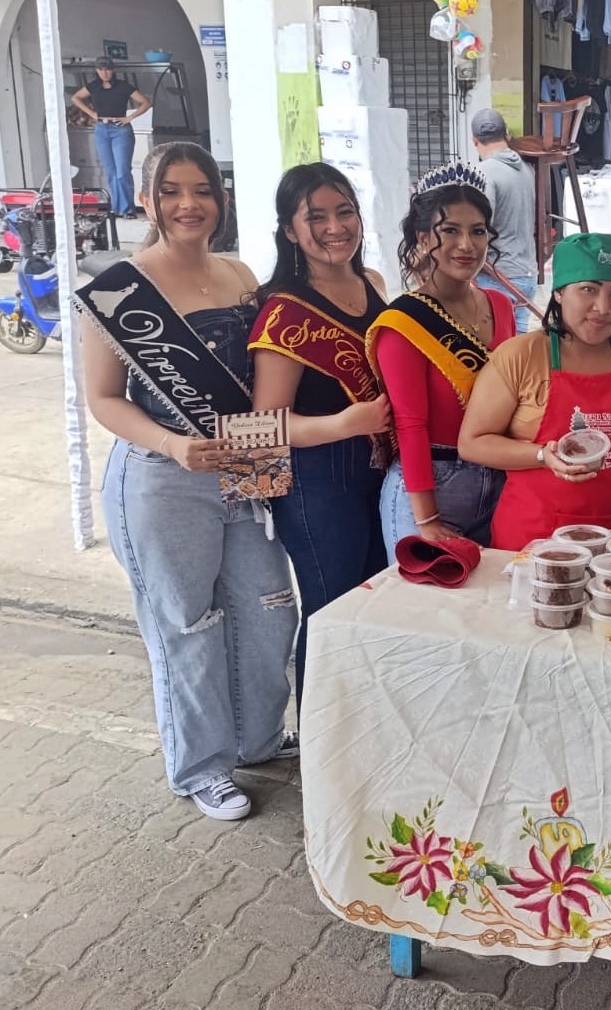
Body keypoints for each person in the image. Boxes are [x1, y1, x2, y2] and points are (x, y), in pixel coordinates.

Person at [75, 142, 296, 821]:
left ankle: (257, 739)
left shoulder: (240, 273)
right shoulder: (120, 287)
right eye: (171, 191)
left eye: (201, 190)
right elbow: (103, 399)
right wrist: (174, 444)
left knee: (268, 611)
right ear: (147, 200)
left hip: (245, 472)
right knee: (188, 625)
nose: (188, 203)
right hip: (163, 480)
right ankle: (202, 767)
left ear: (220, 200)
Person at [248, 163, 392, 720]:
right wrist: (344, 424)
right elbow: (265, 423)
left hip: (378, 473)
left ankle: (362, 733)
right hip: (317, 482)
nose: (336, 227)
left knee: (375, 607)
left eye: (345, 211)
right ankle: (320, 742)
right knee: (331, 614)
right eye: (317, 217)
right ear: (290, 230)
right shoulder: (284, 310)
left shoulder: (372, 282)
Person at [458, 233, 611, 550]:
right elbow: (472, 443)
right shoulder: (521, 355)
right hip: (537, 538)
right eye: (588, 289)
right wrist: (541, 456)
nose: (603, 307)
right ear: (559, 292)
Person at [368, 162, 515, 556]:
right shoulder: (404, 322)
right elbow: (409, 425)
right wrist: (427, 518)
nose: (467, 245)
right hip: (431, 487)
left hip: (496, 481)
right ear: (422, 237)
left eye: (478, 231)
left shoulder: (500, 305)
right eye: (450, 230)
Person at [470, 108, 538, 334]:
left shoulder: (482, 173)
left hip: (498, 277)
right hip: (526, 274)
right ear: (507, 135)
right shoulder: (527, 169)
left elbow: (479, 227)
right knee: (517, 347)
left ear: (475, 141)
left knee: (497, 349)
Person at [70, 57, 152, 219]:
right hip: (101, 128)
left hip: (120, 129)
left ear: (113, 70)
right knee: (110, 171)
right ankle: (117, 208)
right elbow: (76, 98)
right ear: (97, 71)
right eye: (101, 69)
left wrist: (130, 117)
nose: (104, 73)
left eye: (107, 69)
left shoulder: (123, 86)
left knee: (122, 171)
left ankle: (128, 208)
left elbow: (146, 102)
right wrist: (92, 113)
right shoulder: (94, 86)